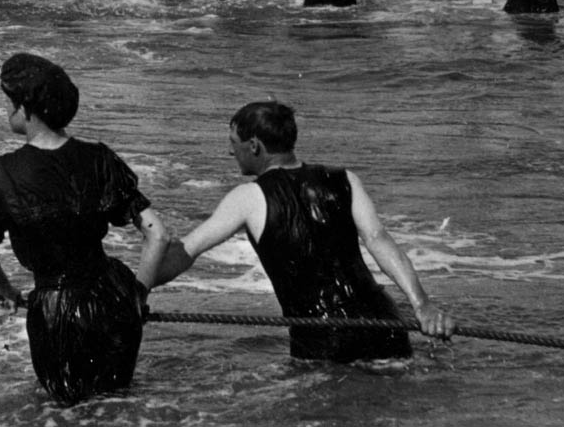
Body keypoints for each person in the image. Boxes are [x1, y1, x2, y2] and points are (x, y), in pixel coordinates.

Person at [152, 100, 453, 362]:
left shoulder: (248, 197)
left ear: (254, 145)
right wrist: (422, 305)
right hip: (384, 326)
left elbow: (186, 252)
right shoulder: (345, 179)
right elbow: (379, 241)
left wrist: (137, 287)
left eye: (234, 143)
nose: (231, 152)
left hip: (324, 339)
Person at [0, 54, 168, 405]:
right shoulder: (99, 157)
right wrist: (139, 294)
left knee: (68, 409)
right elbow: (158, 233)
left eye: (9, 103)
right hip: (115, 296)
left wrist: (8, 292)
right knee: (117, 405)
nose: (8, 110)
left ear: (25, 110)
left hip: (56, 307)